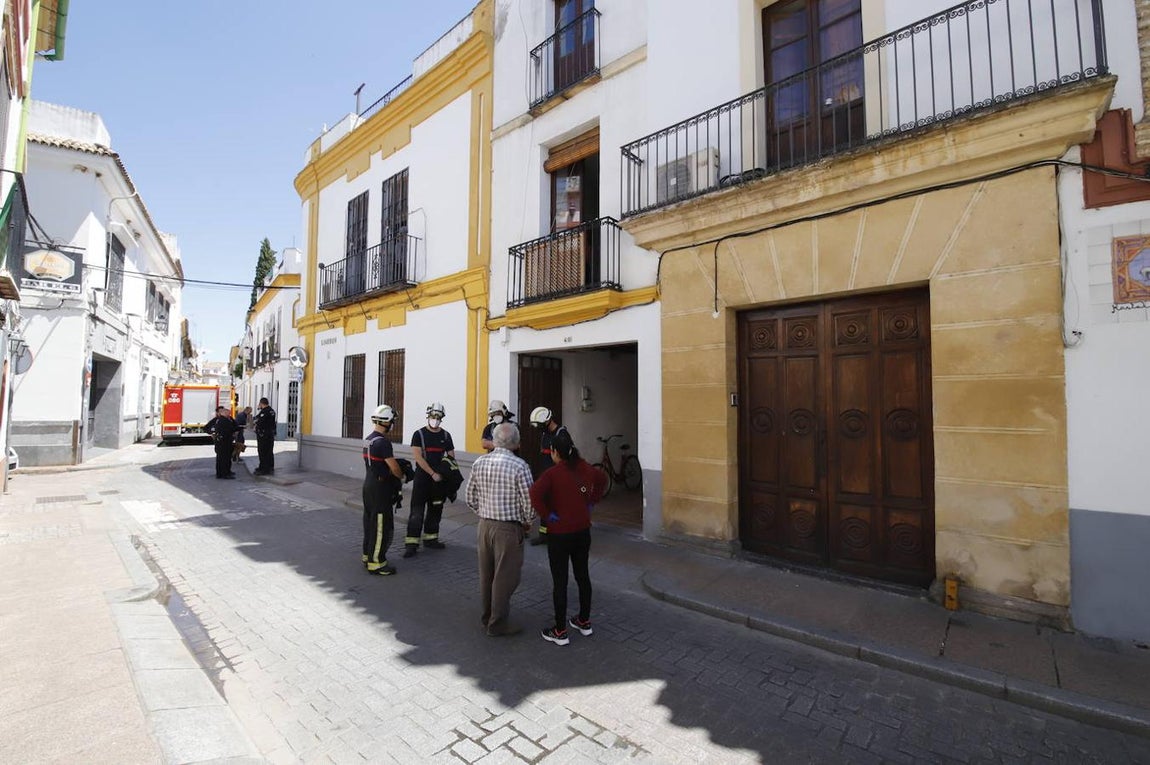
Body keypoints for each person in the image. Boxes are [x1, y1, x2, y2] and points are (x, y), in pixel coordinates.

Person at [529, 430, 606, 646]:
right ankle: (584, 620)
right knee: (583, 576)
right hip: (582, 532)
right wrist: (591, 502)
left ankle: (560, 630)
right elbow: (602, 479)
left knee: (560, 581)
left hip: (560, 534)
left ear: (554, 452)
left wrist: (547, 514)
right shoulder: (586, 468)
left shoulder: (552, 474)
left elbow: (534, 493)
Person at [465, 422, 535, 637]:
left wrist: (485, 511)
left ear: (494, 441)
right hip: (508, 528)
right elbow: (529, 503)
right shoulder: (520, 466)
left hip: (484, 525)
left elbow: (470, 498)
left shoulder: (479, 462)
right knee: (505, 577)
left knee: (487, 574)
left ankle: (487, 616)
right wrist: (527, 521)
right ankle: (497, 623)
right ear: (515, 442)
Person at [403, 402, 456, 557]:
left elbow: (451, 456)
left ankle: (431, 539)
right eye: (433, 416)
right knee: (417, 511)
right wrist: (432, 473)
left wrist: (446, 474)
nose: (436, 419)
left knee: (436, 510)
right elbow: (418, 458)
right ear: (428, 416)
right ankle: (411, 544)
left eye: (438, 417)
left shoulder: (446, 436)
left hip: (439, 481)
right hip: (423, 479)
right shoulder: (418, 434)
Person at [362, 404, 405, 576]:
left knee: (369, 522)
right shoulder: (383, 442)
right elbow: (393, 467)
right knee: (381, 525)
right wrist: (401, 475)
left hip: (369, 485)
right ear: (387, 421)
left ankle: (367, 555)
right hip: (380, 488)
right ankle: (377, 563)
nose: (393, 424)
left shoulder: (369, 439)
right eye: (393, 421)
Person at [527, 406, 570, 545]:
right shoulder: (545, 433)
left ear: (547, 421)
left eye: (539, 425)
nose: (538, 429)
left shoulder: (562, 434)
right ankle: (544, 534)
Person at [205, 406, 237, 480]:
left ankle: (226, 472)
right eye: (221, 411)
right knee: (222, 458)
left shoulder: (228, 419)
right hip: (223, 442)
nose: (229, 414)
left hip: (227, 441)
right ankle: (223, 473)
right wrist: (213, 433)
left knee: (226, 458)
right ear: (219, 413)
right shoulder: (219, 420)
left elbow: (235, 425)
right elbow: (207, 428)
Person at [253, 397, 277, 475]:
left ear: (261, 403)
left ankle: (264, 469)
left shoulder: (265, 412)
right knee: (269, 451)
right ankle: (269, 466)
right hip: (270, 434)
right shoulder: (271, 410)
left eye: (259, 404)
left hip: (263, 435)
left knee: (263, 451)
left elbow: (259, 421)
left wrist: (255, 423)